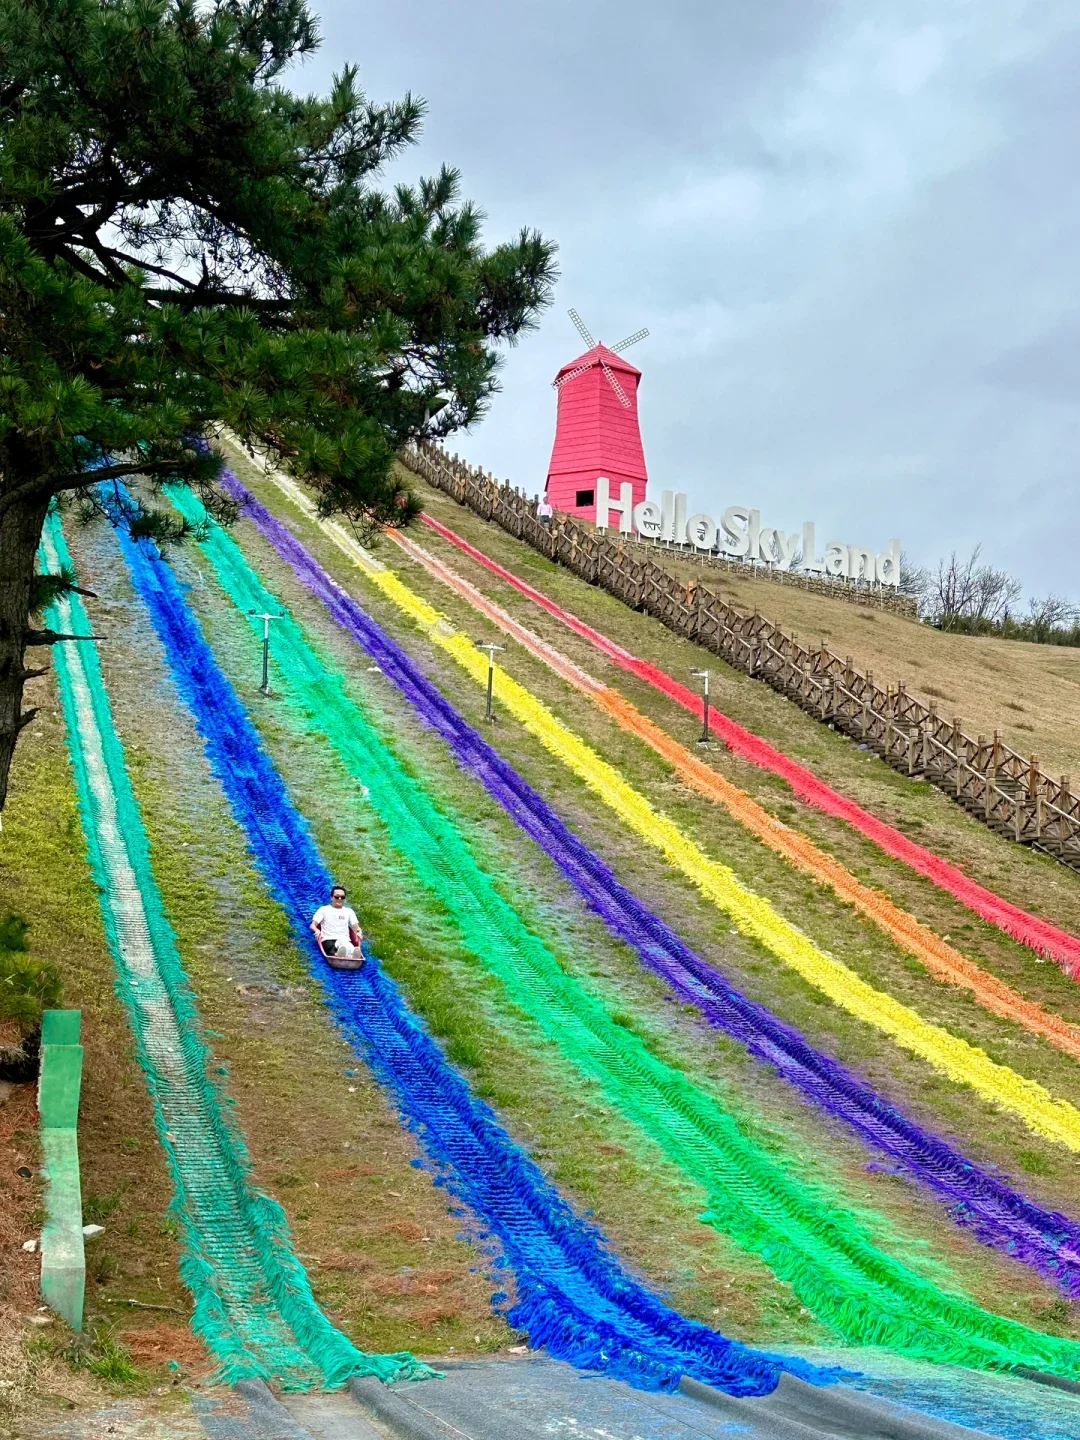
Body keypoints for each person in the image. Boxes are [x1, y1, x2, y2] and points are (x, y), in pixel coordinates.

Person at [311, 886, 364, 969]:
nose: (339, 899)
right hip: (329, 938)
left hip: (344, 939)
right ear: (331, 897)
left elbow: (356, 927)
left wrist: (358, 932)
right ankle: (341, 955)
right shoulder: (324, 910)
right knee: (333, 947)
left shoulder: (349, 911)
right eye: (337, 897)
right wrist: (317, 930)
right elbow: (313, 925)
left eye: (342, 897)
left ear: (345, 899)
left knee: (345, 944)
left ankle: (352, 954)